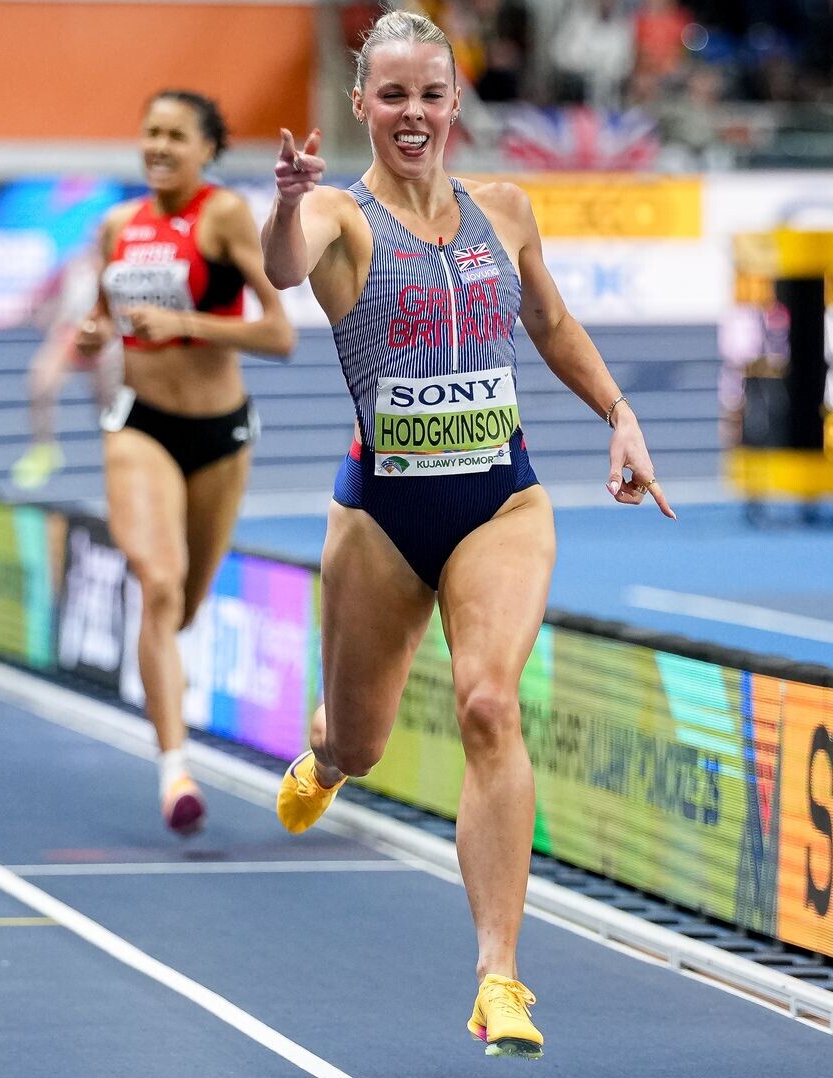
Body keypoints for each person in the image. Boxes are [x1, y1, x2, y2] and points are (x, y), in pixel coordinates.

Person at [262, 10, 674, 1061]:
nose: (410, 113)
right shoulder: (340, 223)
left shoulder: (506, 209)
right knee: (359, 740)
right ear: (359, 105)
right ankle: (325, 748)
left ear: (454, 104)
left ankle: (498, 978)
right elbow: (278, 267)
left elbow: (549, 324)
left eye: (428, 94)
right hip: (381, 517)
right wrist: (286, 206)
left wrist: (617, 413)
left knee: (489, 702)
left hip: (500, 500)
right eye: (389, 95)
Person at [77, 90, 295, 834]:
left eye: (177, 135)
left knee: (187, 604)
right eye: (151, 132)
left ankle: (167, 685)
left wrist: (188, 324)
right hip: (140, 425)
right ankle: (176, 771)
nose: (160, 145)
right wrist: (88, 335)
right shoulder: (115, 226)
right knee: (158, 586)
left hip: (220, 434)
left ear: (207, 150)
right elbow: (101, 320)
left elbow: (279, 333)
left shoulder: (225, 215)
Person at [9, 246, 120, 490]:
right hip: (68, 335)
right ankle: (44, 451)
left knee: (109, 405)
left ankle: (120, 454)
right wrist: (45, 314)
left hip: (105, 340)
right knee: (40, 381)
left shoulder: (119, 268)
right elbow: (48, 295)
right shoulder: (74, 265)